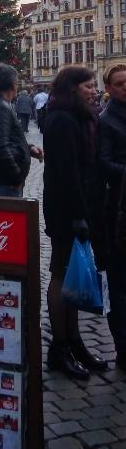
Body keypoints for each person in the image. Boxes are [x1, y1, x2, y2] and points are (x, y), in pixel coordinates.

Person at [43, 65, 107, 379]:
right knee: (60, 273)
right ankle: (60, 346)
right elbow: (66, 172)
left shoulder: (78, 116)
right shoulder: (62, 119)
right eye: (89, 86)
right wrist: (79, 215)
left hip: (79, 206)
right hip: (66, 209)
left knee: (70, 274)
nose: (94, 91)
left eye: (94, 86)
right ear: (72, 88)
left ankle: (74, 341)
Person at [0, 63, 43, 197]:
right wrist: (16, 177)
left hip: (0, 181)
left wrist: (28, 148)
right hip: (3, 184)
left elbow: (4, 139)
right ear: (13, 85)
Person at [99, 63, 126, 370]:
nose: (125, 87)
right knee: (119, 281)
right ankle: (122, 346)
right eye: (119, 84)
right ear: (109, 89)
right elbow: (104, 163)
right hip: (118, 208)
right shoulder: (106, 120)